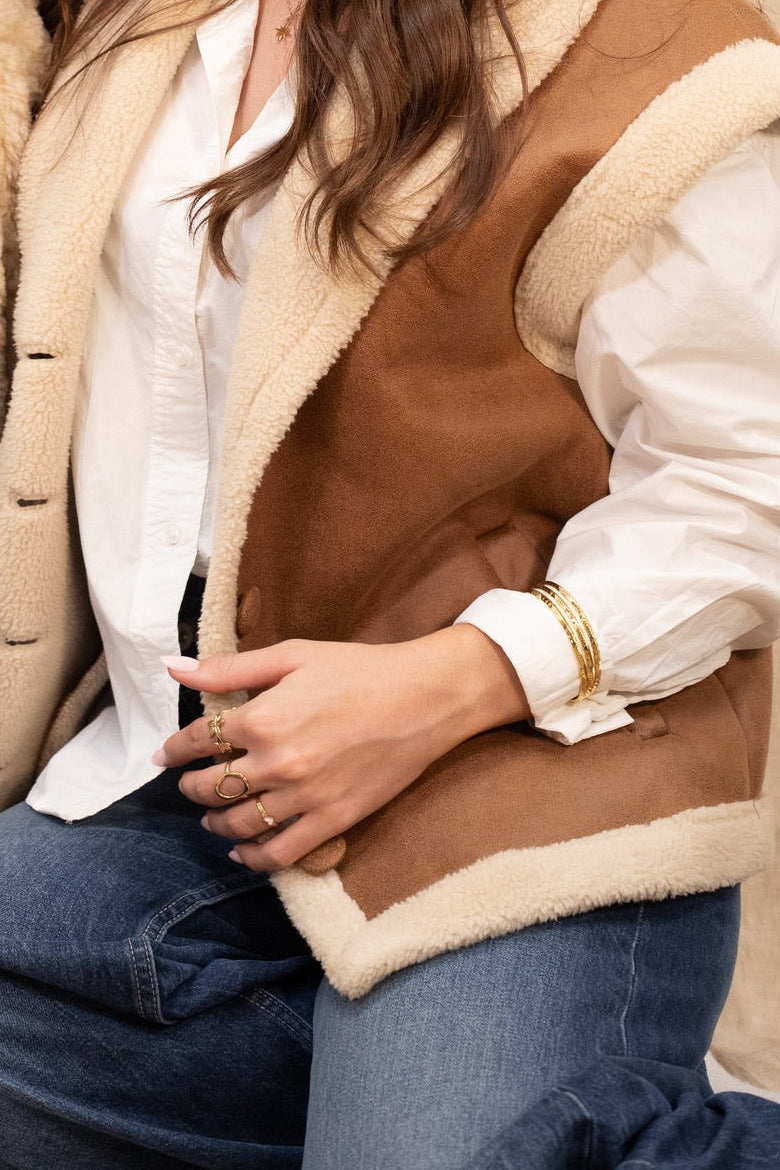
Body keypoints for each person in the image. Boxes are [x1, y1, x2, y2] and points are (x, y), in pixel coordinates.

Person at [1, 0, 780, 1166]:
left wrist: (464, 678)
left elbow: (748, 478)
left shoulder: (647, 45)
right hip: (164, 768)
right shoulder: (117, 20)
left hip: (522, 774)